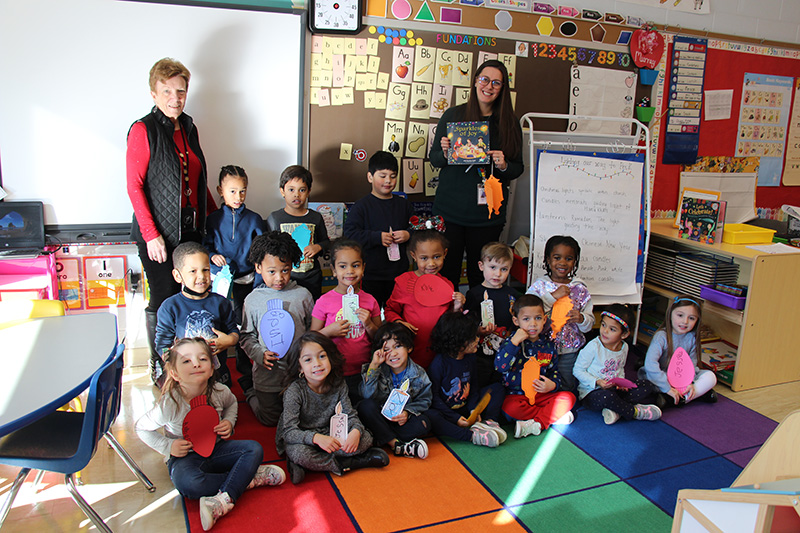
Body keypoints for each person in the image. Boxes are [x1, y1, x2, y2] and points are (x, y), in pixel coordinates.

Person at [127, 58, 216, 385]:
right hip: (158, 234)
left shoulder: (189, 127)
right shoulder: (142, 129)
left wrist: (215, 215)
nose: (175, 98)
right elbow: (134, 186)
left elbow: (198, 179)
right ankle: (161, 364)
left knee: (193, 296)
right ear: (154, 94)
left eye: (180, 91)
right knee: (164, 296)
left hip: (190, 230)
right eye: (167, 91)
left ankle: (191, 364)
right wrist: (151, 236)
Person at [135, 338, 285, 531]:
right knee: (190, 484)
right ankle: (249, 478)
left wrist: (229, 423)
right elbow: (141, 428)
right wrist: (168, 446)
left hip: (217, 449)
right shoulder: (170, 403)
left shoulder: (220, 391)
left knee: (254, 449)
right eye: (186, 361)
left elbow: (232, 405)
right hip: (185, 458)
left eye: (202, 359)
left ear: (212, 367)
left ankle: (224, 498)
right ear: (174, 373)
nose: (196, 363)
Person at [428, 59, 524, 289]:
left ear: (502, 89)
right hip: (450, 212)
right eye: (484, 79)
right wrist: (444, 151)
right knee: (446, 273)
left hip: (487, 216)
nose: (489, 86)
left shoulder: (510, 123)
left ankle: (480, 323)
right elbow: (435, 160)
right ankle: (446, 323)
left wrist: (503, 165)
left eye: (496, 83)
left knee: (481, 276)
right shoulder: (453, 115)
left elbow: (517, 168)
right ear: (475, 81)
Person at [276, 332, 390, 484]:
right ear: (300, 368)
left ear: (330, 357)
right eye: (308, 360)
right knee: (299, 453)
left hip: (332, 433)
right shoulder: (295, 391)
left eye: (322, 356)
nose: (317, 364)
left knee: (365, 439)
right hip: (305, 437)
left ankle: (314, 466)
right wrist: (316, 439)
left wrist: (355, 431)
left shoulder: (338, 383)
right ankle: (350, 463)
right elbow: (289, 431)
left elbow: (350, 414)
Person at [239, 232, 314, 426]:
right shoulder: (252, 300)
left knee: (301, 418)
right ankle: (249, 391)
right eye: (272, 271)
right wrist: (259, 354)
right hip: (267, 377)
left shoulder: (303, 295)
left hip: (298, 375)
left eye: (285, 270)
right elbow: (246, 336)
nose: (279, 278)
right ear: (258, 267)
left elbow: (311, 331)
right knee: (270, 420)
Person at [204, 165, 264, 391]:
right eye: (232, 191)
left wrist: (258, 283)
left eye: (242, 191)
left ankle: (245, 371)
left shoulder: (254, 219)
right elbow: (206, 246)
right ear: (220, 190)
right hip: (221, 283)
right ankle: (219, 374)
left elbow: (261, 254)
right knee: (219, 324)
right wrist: (213, 255)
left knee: (243, 326)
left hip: (246, 283)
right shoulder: (213, 220)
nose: (238, 197)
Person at [154, 242, 239, 388]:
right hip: (185, 379)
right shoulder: (170, 307)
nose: (201, 276)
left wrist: (229, 341)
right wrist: (174, 363)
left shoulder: (221, 302)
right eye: (193, 271)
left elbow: (234, 331)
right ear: (177, 275)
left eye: (205, 270)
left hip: (218, 377)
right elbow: (163, 345)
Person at [311, 239, 381, 405]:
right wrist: (329, 331)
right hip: (334, 371)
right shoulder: (324, 301)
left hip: (365, 370)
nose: (349, 271)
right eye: (342, 266)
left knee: (364, 407)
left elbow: (380, 338)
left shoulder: (370, 301)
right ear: (334, 270)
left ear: (363, 268)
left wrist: (369, 324)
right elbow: (311, 339)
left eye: (355, 265)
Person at [384, 225, 466, 368]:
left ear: (445, 253)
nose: (431, 263)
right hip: (410, 350)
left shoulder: (447, 285)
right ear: (414, 256)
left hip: (439, 351)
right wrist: (398, 321)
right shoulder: (403, 282)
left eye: (436, 257)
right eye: (424, 258)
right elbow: (390, 310)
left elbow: (452, 321)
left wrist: (457, 307)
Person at [495, 294, 576, 439]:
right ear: (516, 321)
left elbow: (554, 371)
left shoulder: (548, 346)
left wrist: (552, 385)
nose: (533, 324)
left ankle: (536, 424)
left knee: (569, 397)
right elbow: (500, 367)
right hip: (517, 396)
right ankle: (551, 417)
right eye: (526, 319)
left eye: (538, 318)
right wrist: (514, 343)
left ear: (545, 319)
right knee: (508, 409)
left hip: (541, 396)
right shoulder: (511, 341)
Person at [342, 151, 414, 308]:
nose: (388, 180)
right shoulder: (361, 206)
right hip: (371, 275)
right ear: (370, 177)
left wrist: (408, 234)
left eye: (393, 176)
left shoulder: (404, 205)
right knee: (371, 313)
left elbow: (419, 229)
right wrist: (376, 237)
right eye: (382, 175)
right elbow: (350, 234)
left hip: (399, 274)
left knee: (397, 313)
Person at [426, 312, 507, 448]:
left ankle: (488, 423)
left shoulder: (470, 359)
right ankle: (472, 436)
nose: (477, 340)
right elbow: (433, 399)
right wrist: (455, 419)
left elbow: (474, 386)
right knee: (431, 416)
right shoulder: (439, 364)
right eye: (473, 337)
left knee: (497, 389)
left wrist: (473, 409)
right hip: (447, 414)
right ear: (459, 342)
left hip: (465, 409)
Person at [526, 235, 594, 393]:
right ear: (548, 260)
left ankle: (564, 407)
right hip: (541, 347)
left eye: (569, 258)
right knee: (538, 383)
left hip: (570, 351)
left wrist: (582, 319)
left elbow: (589, 324)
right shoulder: (539, 286)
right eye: (557, 257)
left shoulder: (580, 289)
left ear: (575, 262)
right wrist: (553, 296)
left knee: (567, 385)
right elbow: (528, 312)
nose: (563, 263)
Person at [574, 304, 661, 425]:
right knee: (607, 397)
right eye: (603, 325)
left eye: (612, 329)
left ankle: (617, 410)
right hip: (592, 393)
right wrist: (598, 381)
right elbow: (577, 370)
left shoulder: (624, 347)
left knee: (646, 385)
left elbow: (620, 368)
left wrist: (622, 383)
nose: (605, 331)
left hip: (614, 390)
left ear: (624, 334)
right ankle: (634, 412)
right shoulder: (594, 346)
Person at [357, 322, 432, 459]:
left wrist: (407, 412)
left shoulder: (418, 374)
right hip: (380, 416)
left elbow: (425, 400)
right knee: (365, 406)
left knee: (424, 423)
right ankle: (395, 444)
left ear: (409, 348)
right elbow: (367, 395)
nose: (393, 353)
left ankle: (382, 437)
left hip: (399, 422)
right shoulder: (377, 369)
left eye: (398, 346)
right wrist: (374, 366)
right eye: (387, 349)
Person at [639, 296, 718, 408]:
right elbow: (651, 365)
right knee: (649, 384)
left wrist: (689, 383)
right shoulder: (661, 336)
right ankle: (691, 395)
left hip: (682, 379)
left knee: (711, 377)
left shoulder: (692, 338)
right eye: (680, 315)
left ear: (697, 320)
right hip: (663, 375)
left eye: (691, 318)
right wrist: (666, 387)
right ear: (670, 314)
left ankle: (679, 399)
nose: (685, 322)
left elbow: (692, 364)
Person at [266, 165, 331, 301]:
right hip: (286, 278)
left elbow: (326, 242)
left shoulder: (315, 217)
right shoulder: (275, 218)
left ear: (308, 192)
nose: (297, 194)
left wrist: (318, 247)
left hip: (312, 276)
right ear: (282, 191)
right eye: (291, 190)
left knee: (311, 311)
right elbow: (269, 251)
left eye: (302, 190)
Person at [464, 242, 521, 391]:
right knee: (480, 385)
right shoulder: (474, 294)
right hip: (481, 354)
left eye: (504, 269)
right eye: (493, 267)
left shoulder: (512, 295)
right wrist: (478, 330)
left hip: (506, 351)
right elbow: (467, 322)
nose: (498, 274)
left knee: (501, 387)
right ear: (481, 266)